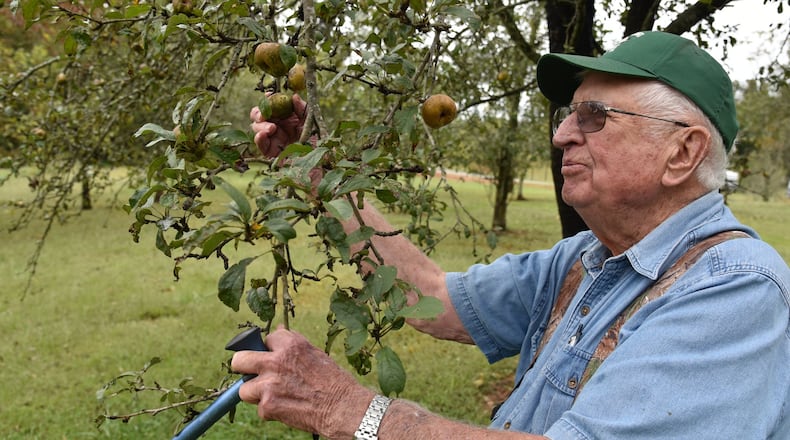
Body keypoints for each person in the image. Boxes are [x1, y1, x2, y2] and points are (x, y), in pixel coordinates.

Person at [231, 31, 790, 439]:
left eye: (593, 116)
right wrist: (317, 171)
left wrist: (348, 408)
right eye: (567, 115)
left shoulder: (736, 290)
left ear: (683, 152)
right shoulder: (586, 260)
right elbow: (429, 295)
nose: (562, 135)